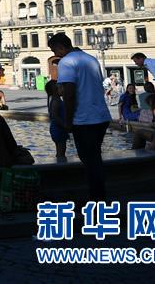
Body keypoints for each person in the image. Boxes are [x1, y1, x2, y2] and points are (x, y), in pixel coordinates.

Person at [48, 32, 112, 201]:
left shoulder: (66, 62)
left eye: (54, 49)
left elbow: (69, 95)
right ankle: (99, 196)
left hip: (84, 119)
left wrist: (68, 121)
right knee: (95, 157)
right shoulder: (90, 59)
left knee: (90, 161)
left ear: (61, 47)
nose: (54, 54)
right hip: (101, 117)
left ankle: (97, 200)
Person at [45, 81, 69, 161]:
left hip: (57, 129)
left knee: (60, 150)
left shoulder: (57, 100)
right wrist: (65, 125)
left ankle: (59, 163)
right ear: (56, 90)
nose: (63, 89)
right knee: (61, 150)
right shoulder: (56, 101)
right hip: (58, 129)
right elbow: (55, 116)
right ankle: (61, 166)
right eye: (61, 87)